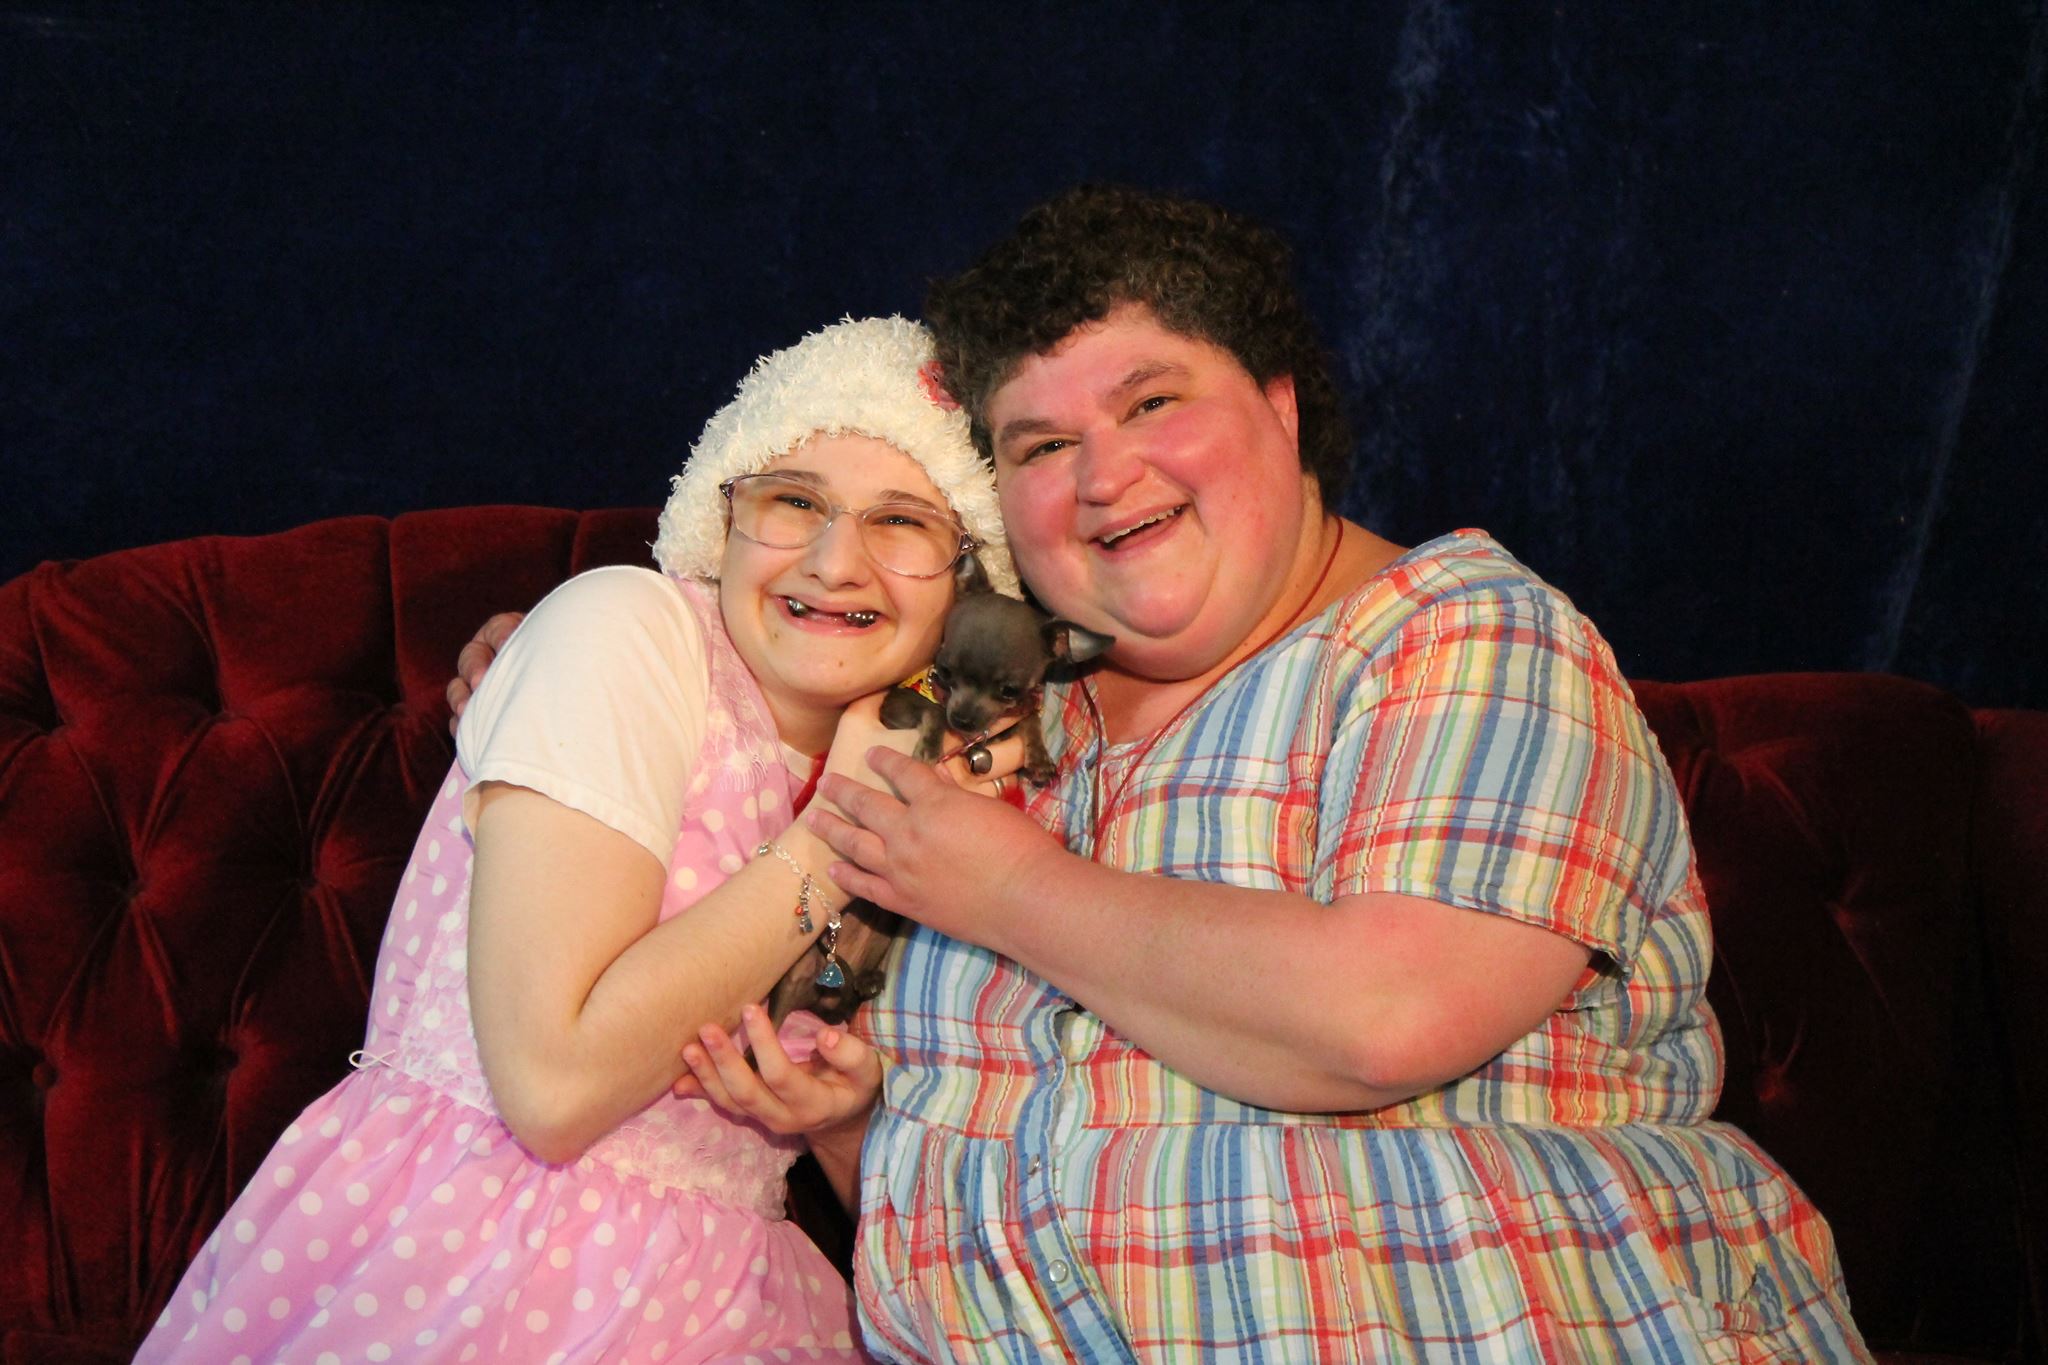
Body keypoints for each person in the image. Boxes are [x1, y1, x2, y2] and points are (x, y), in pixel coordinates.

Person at [664, 187, 1875, 1363]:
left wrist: (1008, 888)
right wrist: (848, 1126)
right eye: (1041, 443)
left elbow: (1385, 1018)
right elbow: (990, 1172)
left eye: (1150, 401)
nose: (1103, 474)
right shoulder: (993, 713)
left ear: (1282, 409)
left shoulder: (1462, 638)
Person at [137, 316, 1024, 1365]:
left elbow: (928, 1217)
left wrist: (836, 1123)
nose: (836, 562)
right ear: (721, 521)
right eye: (792, 501)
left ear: (969, 583)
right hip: (472, 1257)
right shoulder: (624, 632)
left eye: (904, 523)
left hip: (736, 1295)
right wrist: (843, 833)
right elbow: (552, 1090)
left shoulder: (952, 790)